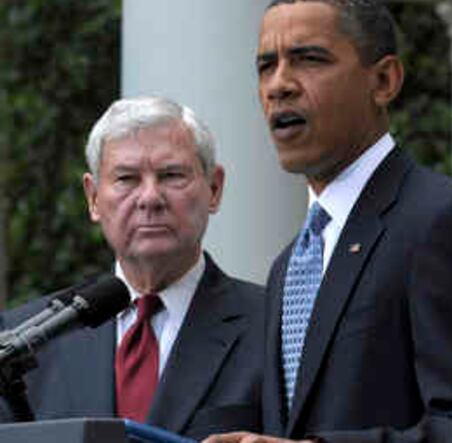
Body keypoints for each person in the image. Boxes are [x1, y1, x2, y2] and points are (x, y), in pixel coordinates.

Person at [206, 0, 452, 443]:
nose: (279, 85)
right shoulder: (287, 266)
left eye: (308, 59)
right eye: (265, 66)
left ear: (383, 81)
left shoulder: (445, 222)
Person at [0, 96, 265, 439]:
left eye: (171, 175)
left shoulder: (272, 324)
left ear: (214, 189)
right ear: (93, 197)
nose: (150, 198)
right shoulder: (28, 339)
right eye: (126, 178)